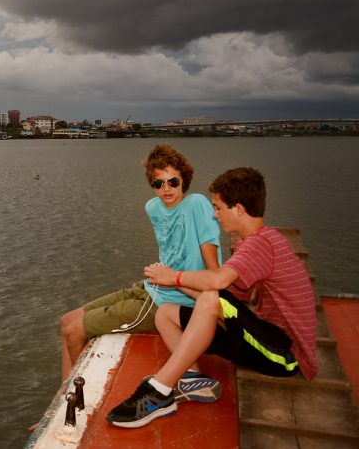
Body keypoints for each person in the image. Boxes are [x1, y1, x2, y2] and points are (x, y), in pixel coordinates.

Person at [107, 167, 318, 428]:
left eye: (218, 208)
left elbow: (216, 282)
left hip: (284, 355)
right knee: (166, 313)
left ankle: (160, 390)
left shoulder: (261, 244)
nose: (215, 215)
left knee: (208, 299)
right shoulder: (253, 243)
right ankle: (192, 378)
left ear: (238, 209)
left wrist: (175, 277)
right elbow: (224, 293)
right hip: (264, 335)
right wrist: (168, 281)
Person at [60, 145, 222, 385]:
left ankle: (72, 398)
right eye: (158, 183)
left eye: (172, 181)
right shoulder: (153, 207)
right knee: (66, 320)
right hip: (151, 286)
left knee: (74, 331)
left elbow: (213, 270)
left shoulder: (197, 204)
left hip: (172, 300)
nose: (166, 189)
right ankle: (60, 400)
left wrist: (214, 308)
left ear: (183, 180)